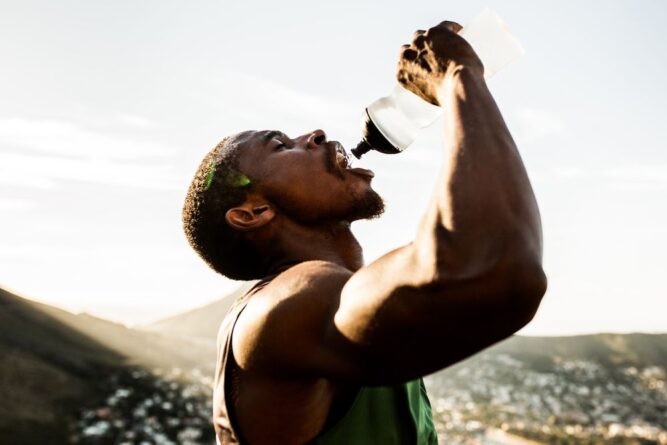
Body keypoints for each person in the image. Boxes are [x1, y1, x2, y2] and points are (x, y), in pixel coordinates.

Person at [182, 20, 546, 445]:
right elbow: (491, 261)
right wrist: (458, 75)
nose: (314, 134)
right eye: (281, 146)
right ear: (253, 212)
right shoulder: (285, 308)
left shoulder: (339, 302)